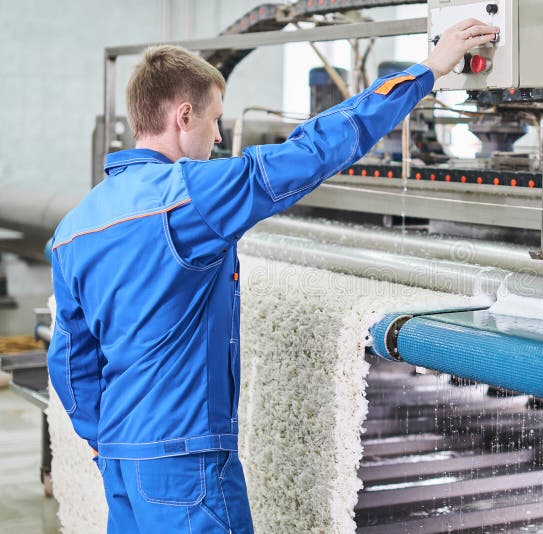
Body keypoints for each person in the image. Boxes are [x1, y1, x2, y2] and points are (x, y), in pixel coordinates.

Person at [47, 18, 499, 534]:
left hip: (123, 463)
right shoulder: (193, 196)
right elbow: (313, 151)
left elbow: (69, 363)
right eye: (215, 120)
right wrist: (427, 71)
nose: (219, 135)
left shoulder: (73, 229)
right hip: (186, 462)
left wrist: (109, 440)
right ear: (183, 114)